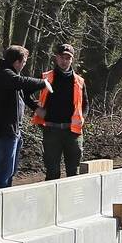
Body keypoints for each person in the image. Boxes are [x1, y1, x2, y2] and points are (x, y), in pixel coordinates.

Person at [0, 45, 51, 189]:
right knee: (5, 170)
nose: (23, 65)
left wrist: (36, 108)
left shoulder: (10, 76)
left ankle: (6, 199)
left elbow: (23, 93)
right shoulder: (3, 74)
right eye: (24, 62)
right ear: (17, 62)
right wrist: (43, 83)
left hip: (14, 130)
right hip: (4, 131)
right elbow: (21, 82)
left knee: (11, 170)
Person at [32, 43, 85, 180]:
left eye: (68, 58)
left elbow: (85, 104)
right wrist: (36, 108)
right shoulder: (46, 77)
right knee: (52, 173)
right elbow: (25, 92)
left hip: (73, 133)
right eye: (62, 57)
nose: (64, 61)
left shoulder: (79, 81)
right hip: (51, 131)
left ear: (72, 60)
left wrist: (82, 119)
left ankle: (72, 201)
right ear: (56, 58)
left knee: (74, 173)